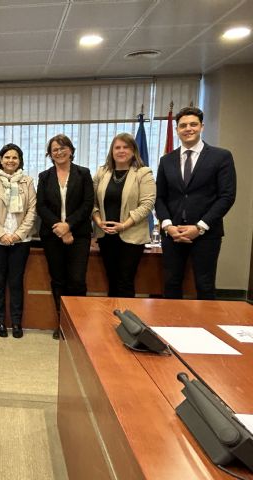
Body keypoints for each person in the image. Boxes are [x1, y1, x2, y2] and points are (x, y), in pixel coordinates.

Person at [155, 106, 236, 300]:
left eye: (193, 124)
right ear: (177, 129)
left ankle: (205, 329)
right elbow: (159, 197)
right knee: (172, 283)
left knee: (204, 285)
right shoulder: (166, 160)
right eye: (183, 125)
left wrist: (199, 227)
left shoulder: (221, 156)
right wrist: (168, 226)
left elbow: (227, 196)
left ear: (201, 127)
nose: (188, 128)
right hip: (173, 233)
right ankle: (171, 328)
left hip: (206, 234)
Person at [37, 134, 93, 339]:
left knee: (77, 280)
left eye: (63, 148)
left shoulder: (83, 173)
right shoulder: (44, 177)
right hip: (52, 235)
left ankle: (77, 324)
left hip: (78, 235)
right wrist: (58, 228)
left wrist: (68, 226)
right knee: (58, 280)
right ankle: (62, 323)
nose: (59, 152)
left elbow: (87, 204)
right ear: (50, 154)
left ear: (70, 150)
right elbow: (41, 206)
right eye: (54, 150)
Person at [92, 133, 156, 298]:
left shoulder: (143, 173)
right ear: (112, 151)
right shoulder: (102, 173)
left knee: (125, 281)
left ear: (133, 150)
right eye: (117, 147)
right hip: (106, 236)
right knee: (112, 280)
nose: (121, 151)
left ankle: (127, 322)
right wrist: (98, 222)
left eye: (125, 147)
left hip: (131, 236)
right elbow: (91, 202)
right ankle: (113, 319)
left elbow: (147, 204)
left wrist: (124, 225)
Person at [0, 143, 36, 338]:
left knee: (15, 282)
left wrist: (17, 234)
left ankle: (16, 322)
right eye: (7, 157)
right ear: (0, 159)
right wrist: (1, 234)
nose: (10, 161)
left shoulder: (28, 181)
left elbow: (32, 210)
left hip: (20, 240)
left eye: (14, 158)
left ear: (19, 161)